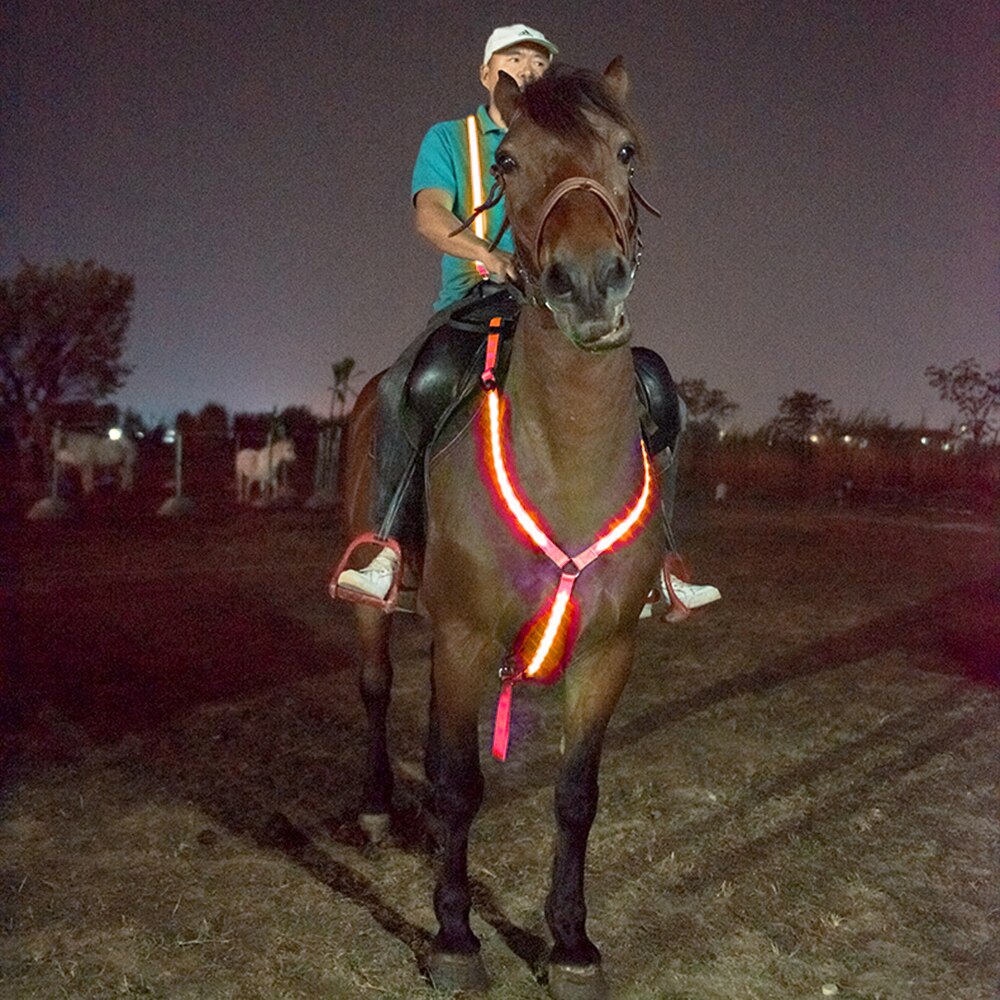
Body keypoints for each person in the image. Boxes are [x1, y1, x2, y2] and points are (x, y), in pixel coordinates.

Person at [336, 24, 720, 616]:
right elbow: (430, 215)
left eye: (539, 60)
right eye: (513, 59)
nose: (528, 69)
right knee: (409, 385)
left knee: (659, 393)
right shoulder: (451, 139)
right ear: (487, 74)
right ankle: (385, 545)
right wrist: (488, 255)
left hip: (551, 300)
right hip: (474, 299)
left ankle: (660, 562)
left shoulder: (568, 130)